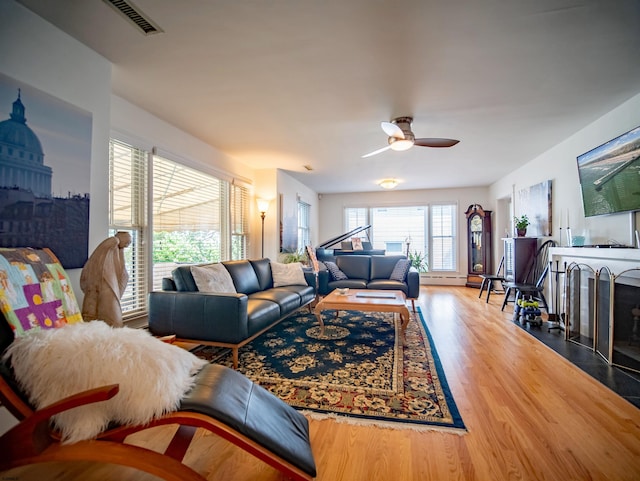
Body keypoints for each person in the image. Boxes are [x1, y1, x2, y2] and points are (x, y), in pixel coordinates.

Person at [80, 231, 132, 327]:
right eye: (128, 241)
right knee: (112, 318)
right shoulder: (113, 241)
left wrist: (121, 251)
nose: (128, 244)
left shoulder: (117, 250)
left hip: (109, 284)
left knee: (111, 318)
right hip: (104, 285)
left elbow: (121, 271)